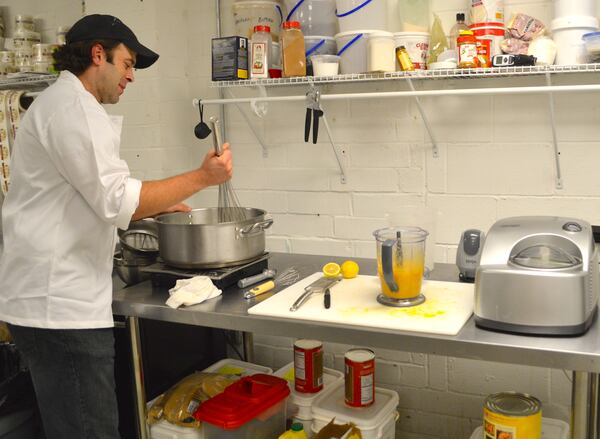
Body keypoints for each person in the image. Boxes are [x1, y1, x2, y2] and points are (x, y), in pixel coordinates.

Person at [0, 14, 232, 439]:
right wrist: (203, 177)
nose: (131, 77)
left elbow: (89, 196)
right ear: (97, 55)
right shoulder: (74, 108)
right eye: (127, 64)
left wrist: (147, 209)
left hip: (49, 301)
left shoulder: (64, 105)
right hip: (60, 308)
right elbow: (114, 197)